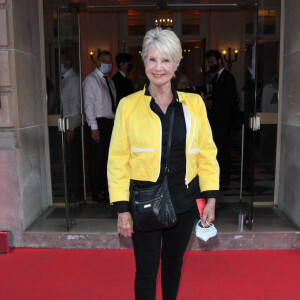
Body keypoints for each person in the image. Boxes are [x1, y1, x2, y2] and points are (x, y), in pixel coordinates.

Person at [108, 27, 220, 300]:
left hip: (184, 201)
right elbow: (118, 160)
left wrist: (211, 197)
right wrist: (122, 209)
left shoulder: (194, 105)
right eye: (153, 59)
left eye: (166, 60)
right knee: (146, 271)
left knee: (173, 266)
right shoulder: (128, 105)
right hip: (144, 203)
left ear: (177, 64)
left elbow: (206, 152)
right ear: (144, 61)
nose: (159, 68)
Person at [83, 50, 116, 203]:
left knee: (107, 159)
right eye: (104, 61)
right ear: (97, 62)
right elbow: (88, 105)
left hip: (109, 123)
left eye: (110, 62)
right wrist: (93, 127)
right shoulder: (91, 80)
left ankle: (105, 188)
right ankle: (96, 192)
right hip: (98, 123)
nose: (108, 64)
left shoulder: (108, 81)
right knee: (97, 158)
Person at [206, 50, 237, 186]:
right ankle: (220, 177)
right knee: (219, 150)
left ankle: (225, 179)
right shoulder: (217, 77)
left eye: (212, 62)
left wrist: (213, 102)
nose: (210, 64)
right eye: (209, 62)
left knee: (223, 151)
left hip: (224, 122)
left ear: (220, 61)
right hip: (218, 122)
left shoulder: (227, 77)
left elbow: (229, 99)